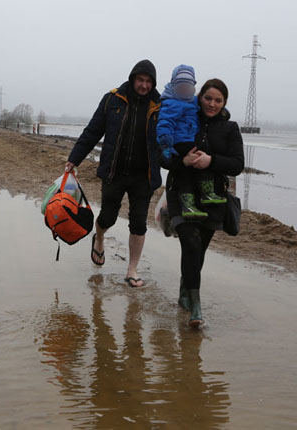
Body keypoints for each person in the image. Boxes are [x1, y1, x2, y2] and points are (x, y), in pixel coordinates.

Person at [65, 59, 162, 288]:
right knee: (107, 216)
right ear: (132, 78)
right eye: (140, 80)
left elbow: (170, 139)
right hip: (114, 172)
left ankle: (132, 269)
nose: (144, 85)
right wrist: (73, 159)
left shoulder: (160, 105)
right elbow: (93, 131)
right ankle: (99, 238)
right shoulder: (113, 99)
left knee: (139, 223)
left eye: (149, 81)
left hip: (144, 176)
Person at [161, 78, 244, 328]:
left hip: (213, 198)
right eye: (208, 98)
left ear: (224, 103)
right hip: (181, 192)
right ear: (199, 97)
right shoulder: (186, 117)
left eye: (218, 100)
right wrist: (182, 161)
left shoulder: (230, 129)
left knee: (199, 249)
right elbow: (163, 156)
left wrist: (212, 161)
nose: (212, 103)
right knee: (191, 242)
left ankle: (185, 289)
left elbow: (237, 164)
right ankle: (196, 307)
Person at [157, 65, 226, 221]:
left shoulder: (193, 101)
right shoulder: (170, 103)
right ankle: (191, 202)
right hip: (179, 141)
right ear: (174, 86)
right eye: (180, 87)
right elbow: (164, 123)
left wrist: (224, 112)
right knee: (187, 171)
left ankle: (206, 193)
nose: (184, 90)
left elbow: (209, 105)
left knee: (201, 161)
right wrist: (166, 144)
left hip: (189, 140)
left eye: (187, 87)